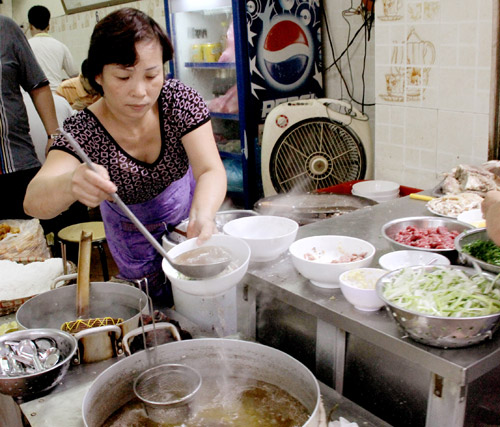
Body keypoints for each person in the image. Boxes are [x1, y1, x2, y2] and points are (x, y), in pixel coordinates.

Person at [24, 8, 227, 306]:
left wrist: (204, 214)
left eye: (152, 75)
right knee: (151, 307)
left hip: (187, 217)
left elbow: (210, 169)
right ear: (98, 75)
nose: (141, 92)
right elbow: (33, 201)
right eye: (123, 76)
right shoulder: (84, 130)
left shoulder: (178, 101)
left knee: (200, 298)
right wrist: (70, 184)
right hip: (131, 235)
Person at [0, 14, 59, 220]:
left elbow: (37, 84)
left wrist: (54, 136)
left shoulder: (5, 28)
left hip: (16, 159)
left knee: (28, 233)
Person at [28, 5, 78, 91]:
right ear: (48, 26)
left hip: (31, 96)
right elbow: (75, 74)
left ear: (30, 26)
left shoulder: (25, 46)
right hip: (56, 94)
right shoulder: (61, 46)